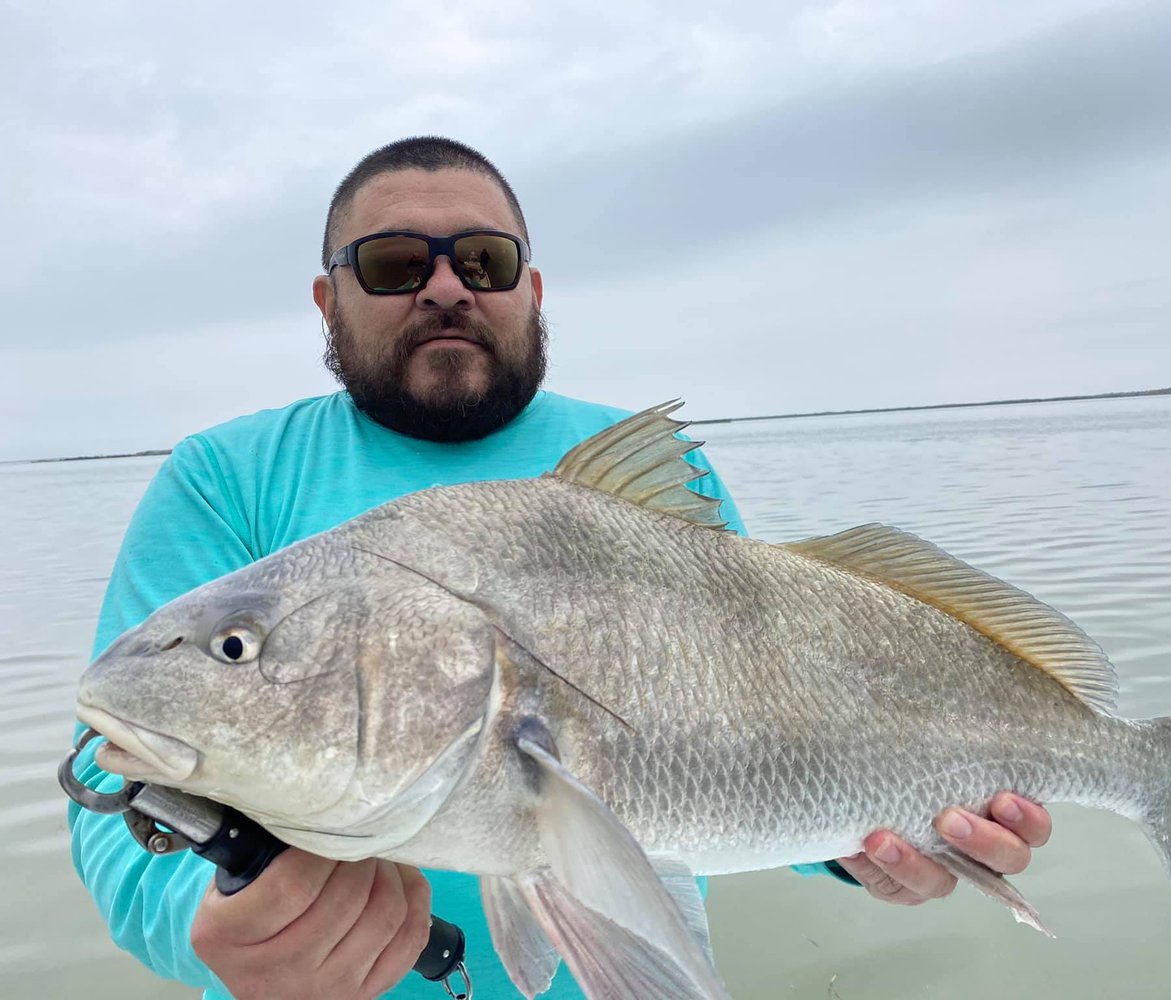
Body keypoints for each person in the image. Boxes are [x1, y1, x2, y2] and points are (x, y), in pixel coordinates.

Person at [68, 136, 1052, 1000]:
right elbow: (110, 784)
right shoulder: (225, 478)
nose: (444, 287)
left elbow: (773, 737)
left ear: (530, 289)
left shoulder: (660, 470)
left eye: (483, 261)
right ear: (329, 298)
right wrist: (209, 929)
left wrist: (862, 855)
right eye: (394, 262)